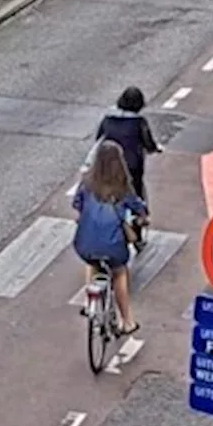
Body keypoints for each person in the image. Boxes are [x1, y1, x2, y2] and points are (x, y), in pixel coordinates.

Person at [72, 140, 148, 336]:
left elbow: (77, 205)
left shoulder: (86, 182)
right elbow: (138, 208)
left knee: (92, 262)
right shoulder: (122, 187)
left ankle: (90, 303)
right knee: (119, 273)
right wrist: (142, 218)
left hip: (85, 244)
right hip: (113, 247)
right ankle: (127, 321)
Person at [93, 86, 162, 248]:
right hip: (131, 169)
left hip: (108, 166)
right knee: (136, 198)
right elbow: (148, 143)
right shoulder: (139, 122)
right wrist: (154, 148)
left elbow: (99, 139)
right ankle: (137, 236)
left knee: (104, 196)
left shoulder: (107, 119)